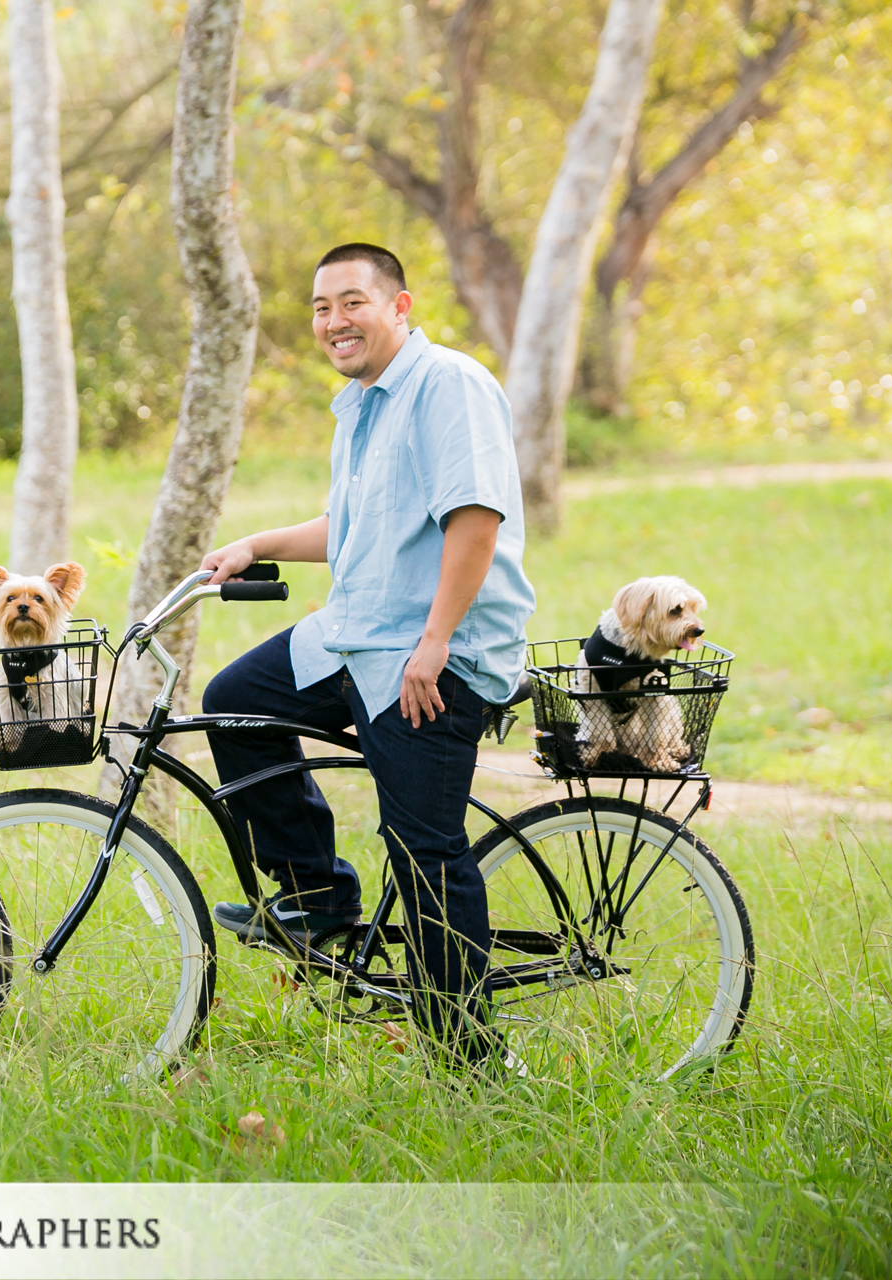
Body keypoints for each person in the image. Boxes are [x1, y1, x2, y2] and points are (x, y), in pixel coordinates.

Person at [198, 243, 535, 1065]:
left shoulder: (446, 386)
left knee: (423, 850)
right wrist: (255, 542)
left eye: (352, 302)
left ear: (399, 306)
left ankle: (470, 1057)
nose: (333, 321)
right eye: (320, 308)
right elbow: (352, 530)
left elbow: (475, 521)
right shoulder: (361, 405)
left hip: (432, 660)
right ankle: (314, 896)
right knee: (233, 705)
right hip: (359, 637)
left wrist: (435, 643)